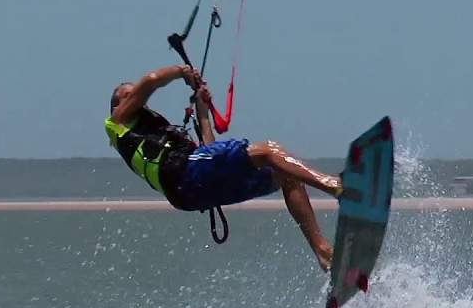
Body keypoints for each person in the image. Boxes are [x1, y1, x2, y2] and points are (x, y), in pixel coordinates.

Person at [105, 63, 344, 272]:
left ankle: (323, 251)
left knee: (287, 173)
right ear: (117, 106)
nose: (135, 96)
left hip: (190, 193)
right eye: (128, 95)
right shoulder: (117, 121)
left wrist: (202, 109)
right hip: (184, 175)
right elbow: (151, 81)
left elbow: (209, 150)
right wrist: (182, 72)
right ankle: (334, 186)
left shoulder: (148, 131)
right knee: (270, 151)